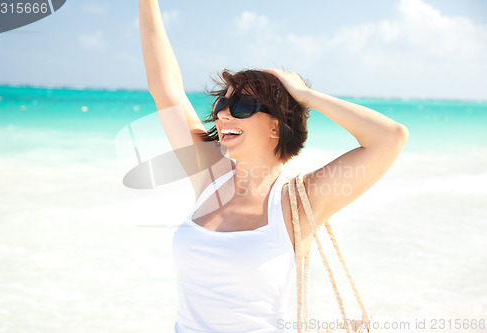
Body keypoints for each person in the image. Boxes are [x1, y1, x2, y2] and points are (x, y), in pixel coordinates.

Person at [138, 1, 409, 332]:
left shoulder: (298, 201)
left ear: (276, 126)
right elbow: (165, 89)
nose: (223, 114)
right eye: (223, 103)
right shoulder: (209, 174)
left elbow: (390, 138)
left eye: (241, 106)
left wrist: (305, 95)